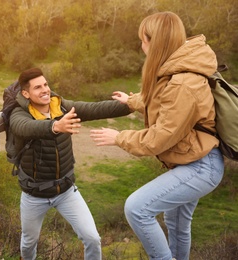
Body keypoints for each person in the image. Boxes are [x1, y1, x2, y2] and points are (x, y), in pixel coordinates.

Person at [90, 11, 224, 260]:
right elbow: (168, 104)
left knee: (137, 208)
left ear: (155, 42)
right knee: (177, 225)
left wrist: (119, 137)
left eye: (143, 40)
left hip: (200, 166)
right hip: (194, 158)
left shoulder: (183, 82)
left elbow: (160, 137)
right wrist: (132, 100)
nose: (141, 46)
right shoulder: (180, 68)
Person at [10, 67, 131, 260]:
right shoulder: (18, 114)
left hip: (65, 191)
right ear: (26, 93)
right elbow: (25, 128)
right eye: (37, 87)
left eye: (46, 84)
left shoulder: (62, 107)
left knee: (92, 238)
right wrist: (55, 126)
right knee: (28, 243)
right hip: (34, 194)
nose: (45, 90)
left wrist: (132, 104)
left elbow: (96, 108)